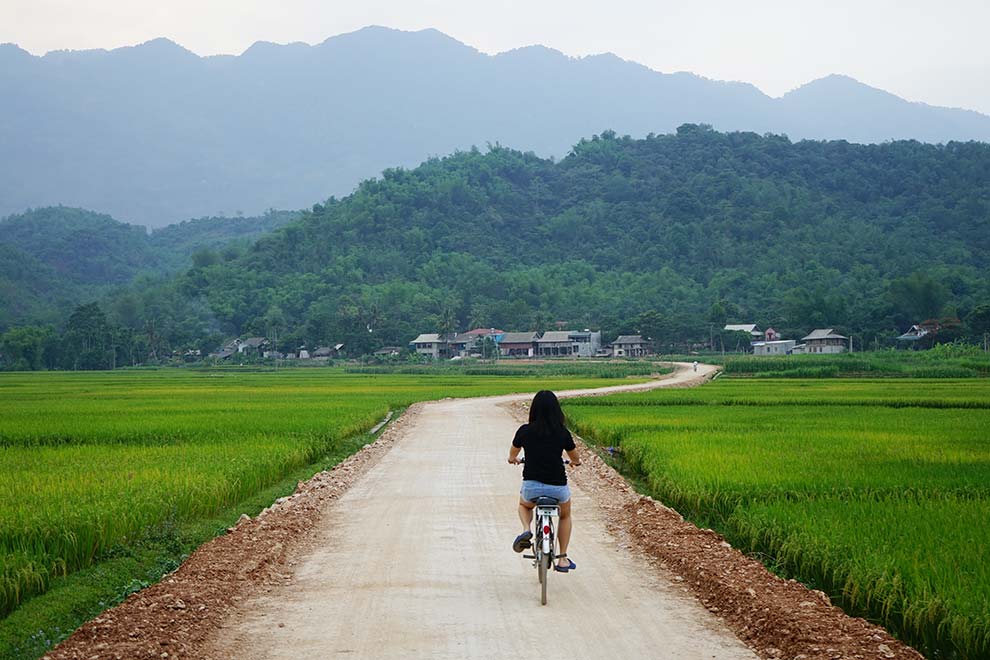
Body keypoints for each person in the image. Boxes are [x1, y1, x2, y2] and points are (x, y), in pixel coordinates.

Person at [507, 390, 581, 572]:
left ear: (533, 410)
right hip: (558, 488)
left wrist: (513, 459)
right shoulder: (562, 432)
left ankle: (526, 529)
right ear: (557, 410)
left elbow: (512, 454)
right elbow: (575, 458)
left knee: (524, 505)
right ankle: (562, 558)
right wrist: (574, 463)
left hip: (531, 487)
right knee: (565, 515)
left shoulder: (524, 431)